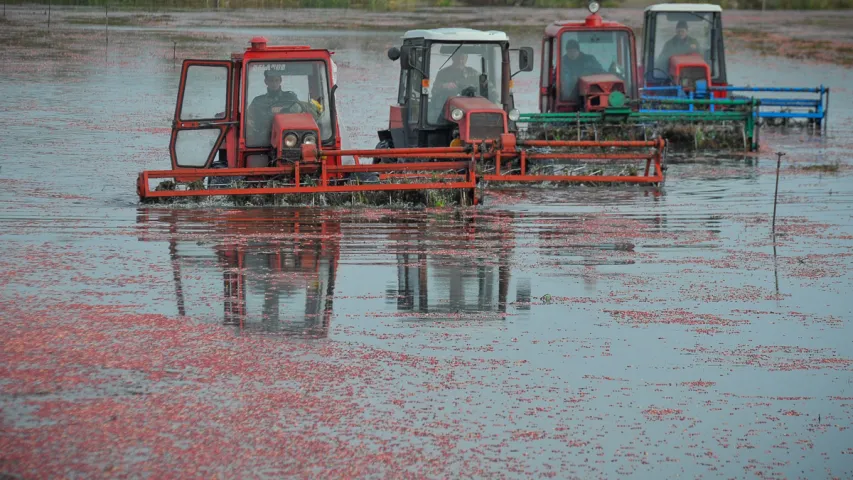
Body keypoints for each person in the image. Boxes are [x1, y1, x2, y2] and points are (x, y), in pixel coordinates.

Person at [246, 67, 321, 146]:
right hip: (264, 140)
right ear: (266, 82)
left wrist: (284, 110)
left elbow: (300, 111)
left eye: (276, 80)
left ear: (280, 81)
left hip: (290, 137)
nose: (274, 83)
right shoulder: (258, 101)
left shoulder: (290, 97)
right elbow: (249, 120)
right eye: (271, 81)